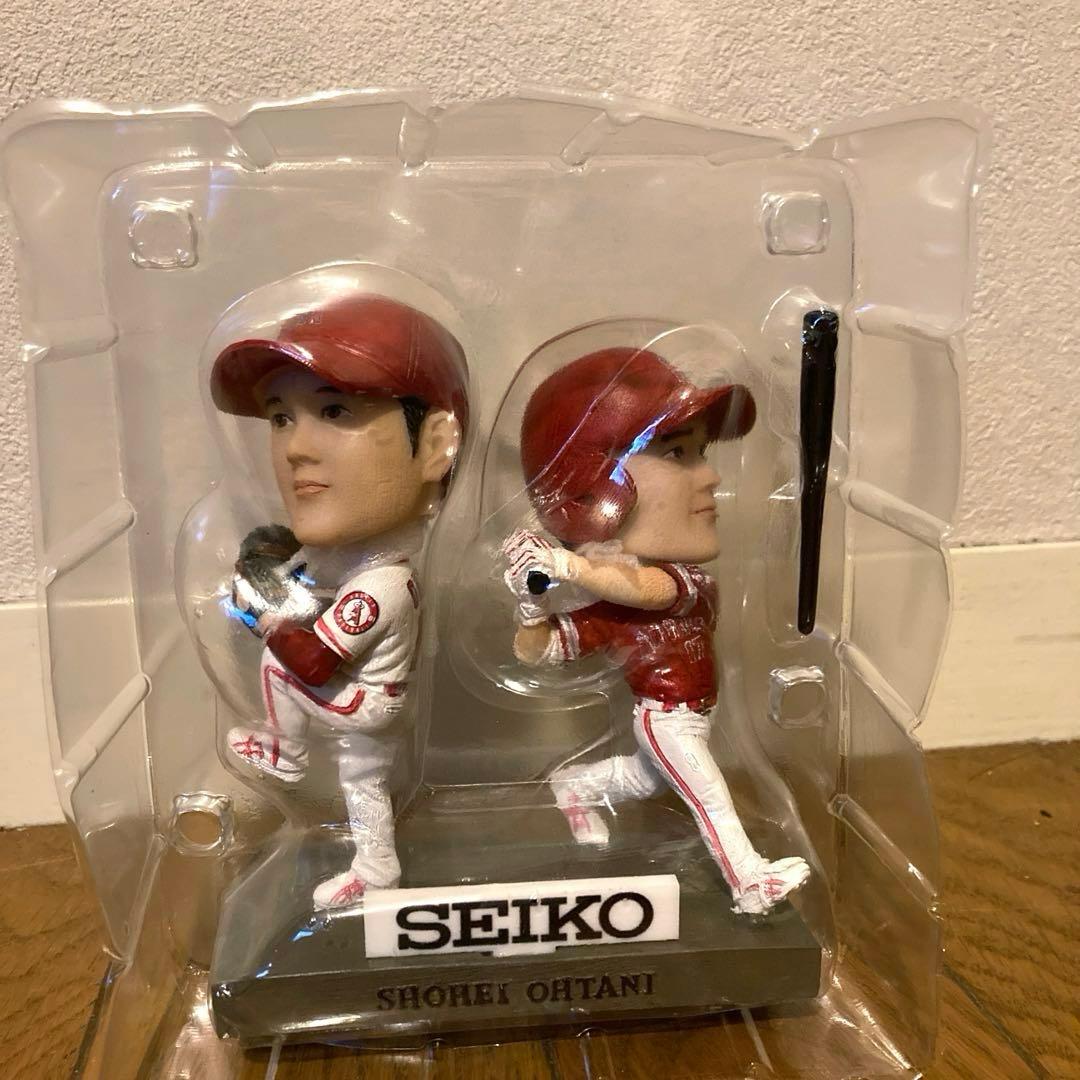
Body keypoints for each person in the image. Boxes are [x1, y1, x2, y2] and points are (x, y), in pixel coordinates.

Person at [502, 344, 809, 915]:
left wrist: (567, 566)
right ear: (595, 486)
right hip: (664, 715)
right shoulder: (611, 605)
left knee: (645, 781)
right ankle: (750, 883)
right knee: (710, 796)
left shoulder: (676, 581)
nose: (711, 476)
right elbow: (537, 653)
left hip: (698, 710)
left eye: (700, 452)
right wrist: (529, 604)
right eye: (676, 453)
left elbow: (647, 589)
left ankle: (576, 785)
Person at [210, 292, 467, 910]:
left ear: (435, 445)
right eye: (280, 417)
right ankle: (376, 869)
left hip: (365, 702)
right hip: (371, 706)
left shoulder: (381, 586)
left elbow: (316, 662)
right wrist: (269, 575)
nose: (296, 448)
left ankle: (286, 750)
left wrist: (261, 614)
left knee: (279, 665)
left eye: (334, 410)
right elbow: (297, 573)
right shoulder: (338, 564)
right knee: (364, 783)